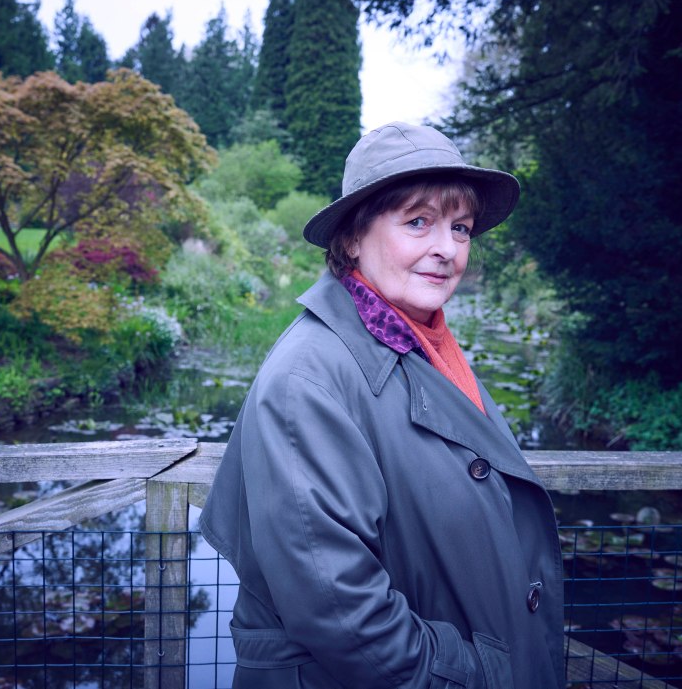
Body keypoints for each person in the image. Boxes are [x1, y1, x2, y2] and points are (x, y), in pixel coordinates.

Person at [199, 122, 564, 688]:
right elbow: (341, 610)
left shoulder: (422, 342)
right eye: (418, 222)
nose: (446, 249)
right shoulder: (308, 380)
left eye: (460, 228)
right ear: (351, 239)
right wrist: (476, 675)